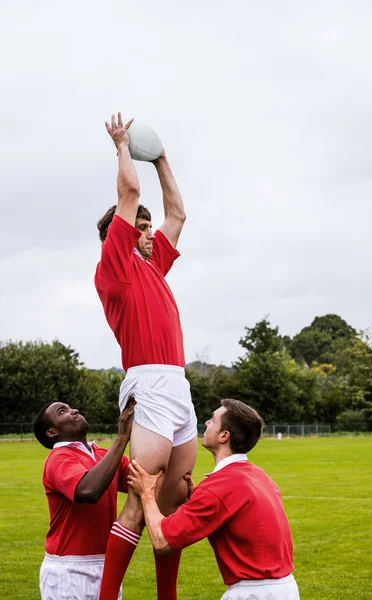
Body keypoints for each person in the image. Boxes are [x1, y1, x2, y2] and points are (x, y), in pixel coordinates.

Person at [94, 113, 197, 600]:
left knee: (173, 502)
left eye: (147, 225)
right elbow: (129, 196)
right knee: (140, 500)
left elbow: (178, 215)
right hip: (150, 383)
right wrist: (122, 146)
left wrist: (161, 159)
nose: (150, 229)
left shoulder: (154, 263)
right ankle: (106, 596)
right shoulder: (114, 268)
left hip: (177, 382)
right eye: (139, 226)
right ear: (116, 234)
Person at [128, 399, 300, 600]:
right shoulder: (259, 476)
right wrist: (201, 497)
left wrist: (146, 492)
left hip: (253, 594)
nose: (207, 423)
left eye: (212, 420)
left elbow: (162, 541)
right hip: (284, 589)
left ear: (224, 436)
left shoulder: (219, 488)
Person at [33, 398, 135, 600]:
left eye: (71, 407)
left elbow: (142, 480)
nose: (74, 410)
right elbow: (88, 491)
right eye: (63, 411)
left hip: (106, 566)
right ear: (52, 432)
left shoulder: (103, 455)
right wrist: (122, 437)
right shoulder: (58, 458)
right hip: (69, 570)